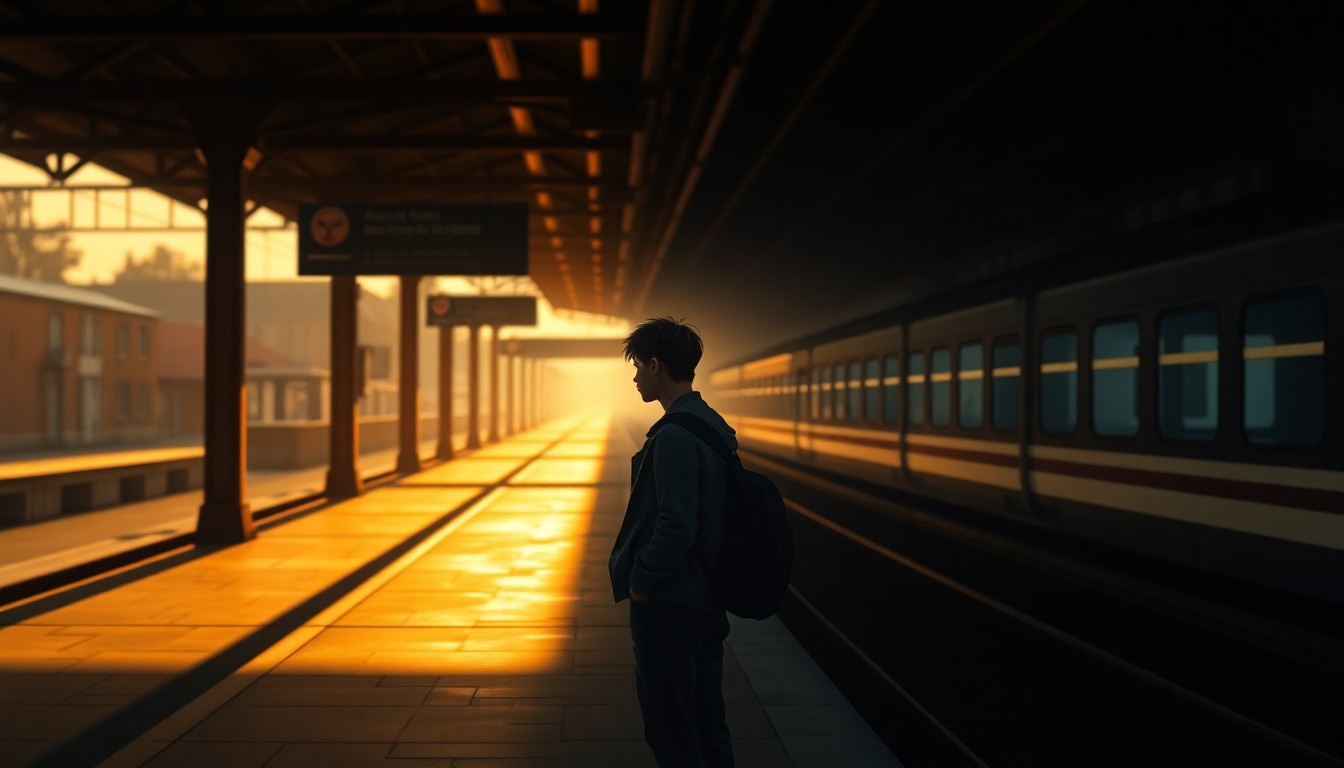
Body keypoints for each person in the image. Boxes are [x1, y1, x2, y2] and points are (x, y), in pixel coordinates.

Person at [609, 316, 737, 768]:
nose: (636, 376)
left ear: (657, 365)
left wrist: (641, 580)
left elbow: (676, 525)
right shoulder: (711, 425)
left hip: (671, 603)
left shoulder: (675, 437)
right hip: (705, 598)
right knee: (708, 723)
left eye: (640, 366)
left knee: (673, 731)